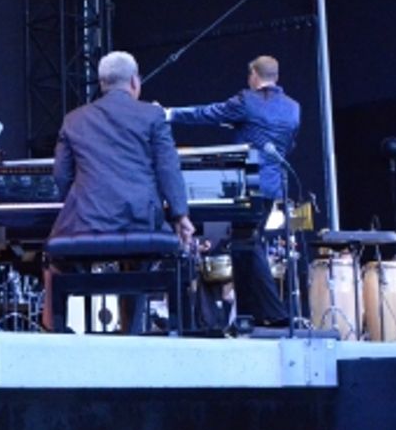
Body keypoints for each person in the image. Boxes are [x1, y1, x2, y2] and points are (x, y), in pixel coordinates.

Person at [46, 51, 194, 331]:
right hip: (139, 218)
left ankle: (58, 332)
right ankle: (132, 332)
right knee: (139, 260)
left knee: (55, 257)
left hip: (88, 219)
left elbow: (61, 176)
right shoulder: (152, 115)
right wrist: (180, 215)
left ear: (102, 84)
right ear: (135, 81)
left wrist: (79, 203)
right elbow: (168, 169)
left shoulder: (74, 119)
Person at [165, 55, 298, 327]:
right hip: (272, 185)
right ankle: (249, 314)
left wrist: (170, 114)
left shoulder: (246, 101)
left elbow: (208, 113)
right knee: (242, 243)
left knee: (248, 242)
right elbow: (288, 144)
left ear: (254, 75)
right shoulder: (293, 108)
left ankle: (275, 313)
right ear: (276, 77)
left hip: (248, 185)